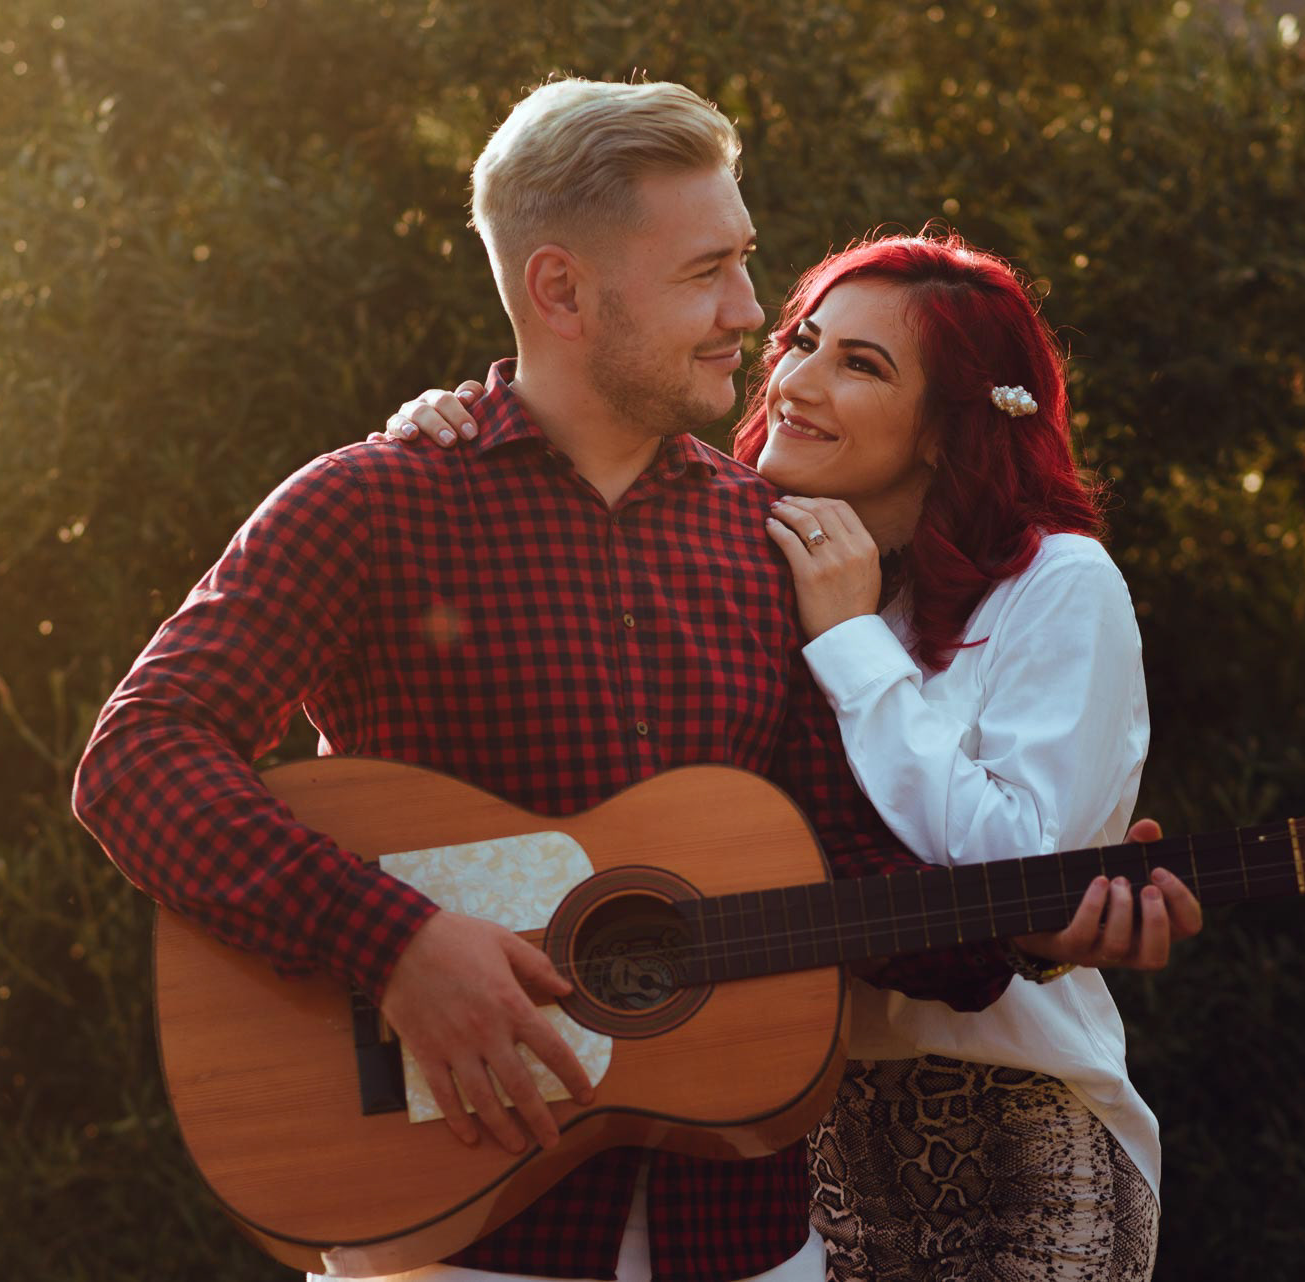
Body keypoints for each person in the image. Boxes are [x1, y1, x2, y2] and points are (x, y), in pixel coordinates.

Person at [77, 78, 1188, 1282]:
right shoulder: (372, 503)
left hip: (751, 1244)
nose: (750, 312)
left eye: (745, 263)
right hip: (459, 1232)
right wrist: (393, 946)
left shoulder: (771, 545)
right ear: (561, 290)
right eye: (707, 272)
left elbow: (849, 878)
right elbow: (139, 754)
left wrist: (1032, 924)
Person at [378, 231, 1196, 1280]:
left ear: (948, 427)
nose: (799, 381)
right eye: (803, 343)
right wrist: (462, 427)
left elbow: (1018, 867)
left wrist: (850, 643)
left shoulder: (1057, 583)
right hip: (785, 1136)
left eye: (862, 365)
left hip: (1008, 1118)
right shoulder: (738, 561)